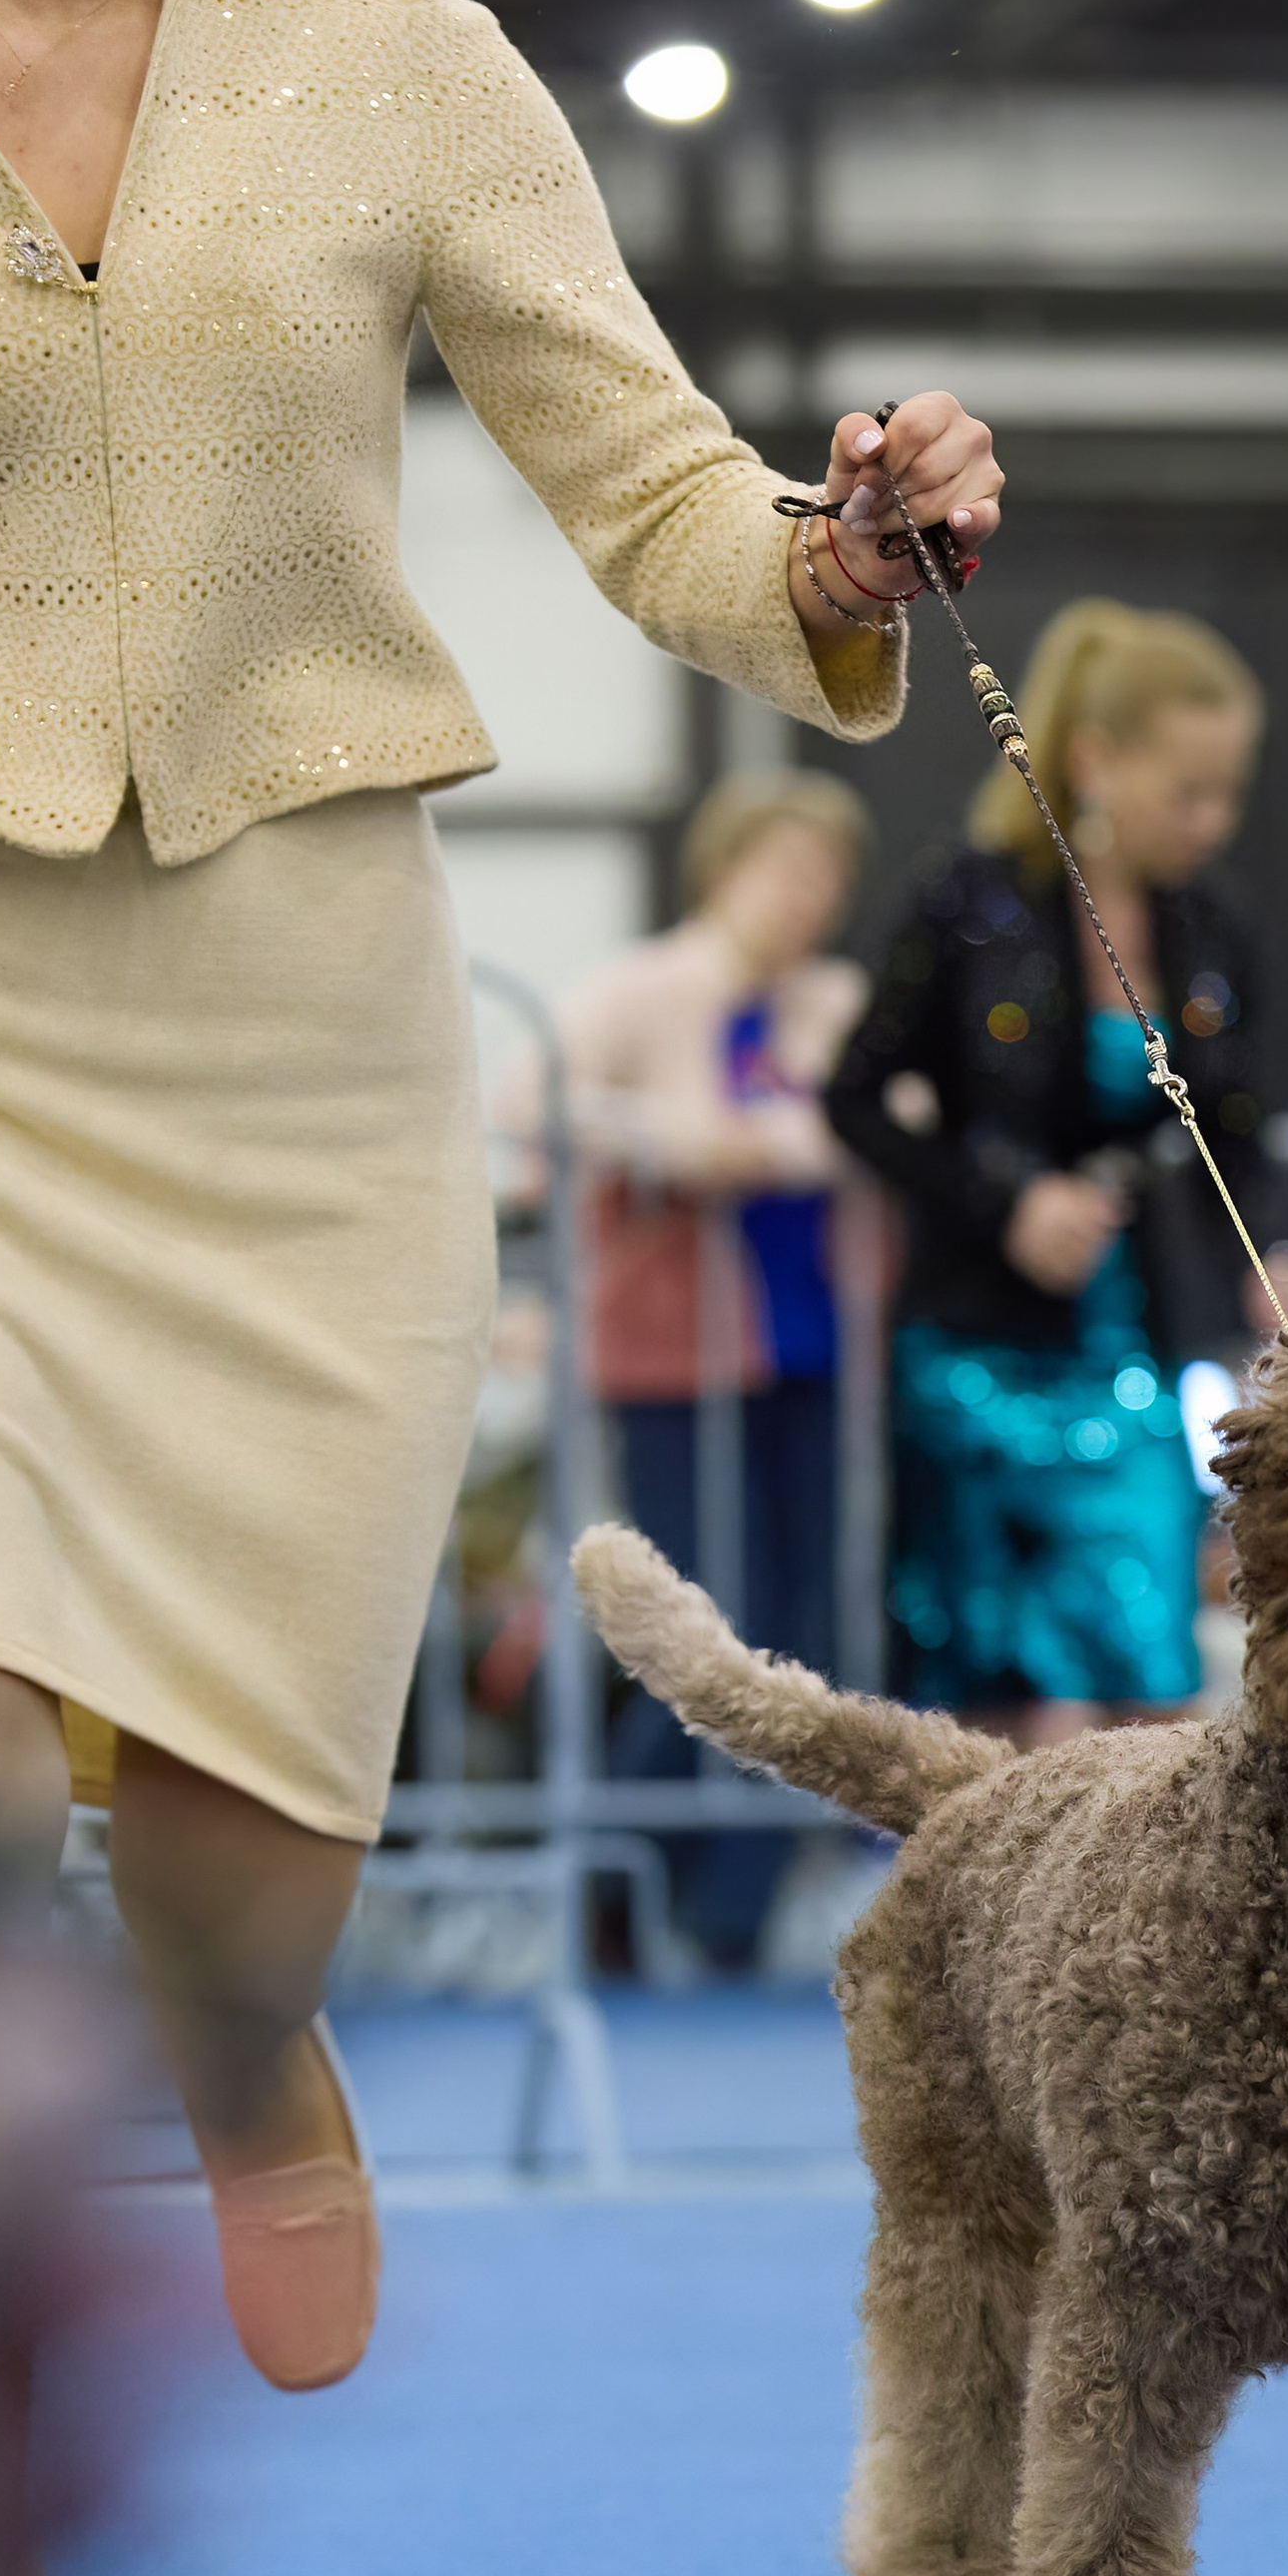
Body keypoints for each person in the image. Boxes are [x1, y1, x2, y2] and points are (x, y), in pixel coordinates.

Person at [0, 0, 1002, 2486]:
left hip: (299, 1030)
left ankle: (241, 2051)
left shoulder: (391, 26)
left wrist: (835, 553)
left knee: (235, 1867)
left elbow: (658, 483)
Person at [827, 600, 1288, 1737]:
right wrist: (1008, 1203)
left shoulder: (1213, 928)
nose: (1213, 821)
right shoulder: (967, 904)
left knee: (1153, 1687)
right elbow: (855, 1097)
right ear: (1094, 762)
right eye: (1187, 792)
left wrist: (1271, 1256)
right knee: (992, 1705)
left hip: (1137, 1358)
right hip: (973, 1362)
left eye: (1229, 793)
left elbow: (1235, 1132)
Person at [558, 775, 872, 1971]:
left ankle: (727, 1913)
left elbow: (873, 1119)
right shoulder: (636, 990)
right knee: (699, 1616)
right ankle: (613, 1873)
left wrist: (773, 1146)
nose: (808, 898)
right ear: (723, 869)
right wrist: (670, 1142)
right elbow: (547, 1113)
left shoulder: (836, 1003)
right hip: (674, 1358)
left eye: (827, 877)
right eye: (786, 870)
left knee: (802, 1627)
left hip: (813, 1349)